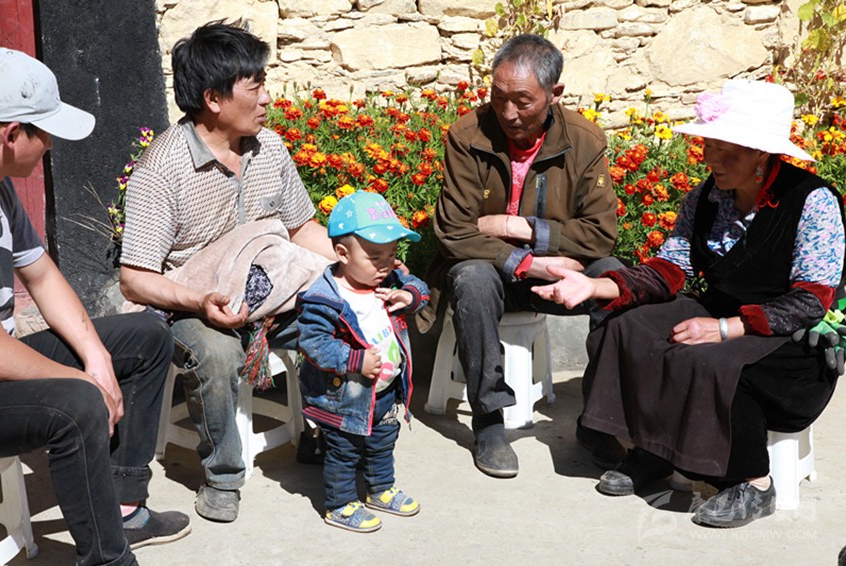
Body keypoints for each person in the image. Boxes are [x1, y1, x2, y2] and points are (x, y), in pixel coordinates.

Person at [532, 79, 844, 528]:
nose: (710, 159)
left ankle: (753, 481)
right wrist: (594, 286)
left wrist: (724, 329)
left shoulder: (813, 202)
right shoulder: (706, 198)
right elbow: (670, 269)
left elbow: (811, 300)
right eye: (708, 146)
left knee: (712, 361)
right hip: (721, 310)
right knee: (627, 327)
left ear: (761, 153)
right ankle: (655, 449)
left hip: (788, 338)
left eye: (725, 150)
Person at [118, 20, 334, 523]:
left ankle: (326, 431)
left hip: (267, 292)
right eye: (254, 87)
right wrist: (200, 303)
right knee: (215, 353)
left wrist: (359, 264)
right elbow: (135, 279)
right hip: (188, 304)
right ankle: (223, 475)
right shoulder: (162, 170)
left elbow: (302, 229)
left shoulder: (269, 148)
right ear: (213, 99)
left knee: (343, 312)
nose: (266, 98)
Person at [0, 47, 190, 564]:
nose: (50, 145)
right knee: (79, 403)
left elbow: (41, 275)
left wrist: (97, 357)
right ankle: (108, 559)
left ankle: (123, 507)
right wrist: (85, 382)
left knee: (146, 338)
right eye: (44, 132)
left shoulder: (1, 190)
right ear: (11, 135)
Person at [418, 33, 623, 478]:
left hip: (559, 275)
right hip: (494, 273)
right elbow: (454, 230)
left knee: (614, 279)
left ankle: (599, 420)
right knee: (471, 277)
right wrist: (528, 263)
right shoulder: (467, 135)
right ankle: (489, 420)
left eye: (522, 101)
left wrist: (519, 228)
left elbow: (600, 235)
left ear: (555, 93)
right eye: (498, 97)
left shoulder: (585, 141)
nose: (508, 112)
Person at [296, 192, 429, 533]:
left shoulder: (388, 281)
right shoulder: (325, 298)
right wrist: (355, 360)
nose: (386, 265)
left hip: (384, 392)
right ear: (342, 254)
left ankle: (380, 489)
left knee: (383, 442)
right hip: (344, 398)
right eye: (375, 257)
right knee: (344, 451)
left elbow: (420, 287)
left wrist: (408, 295)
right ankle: (339, 505)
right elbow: (313, 343)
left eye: (392, 254)